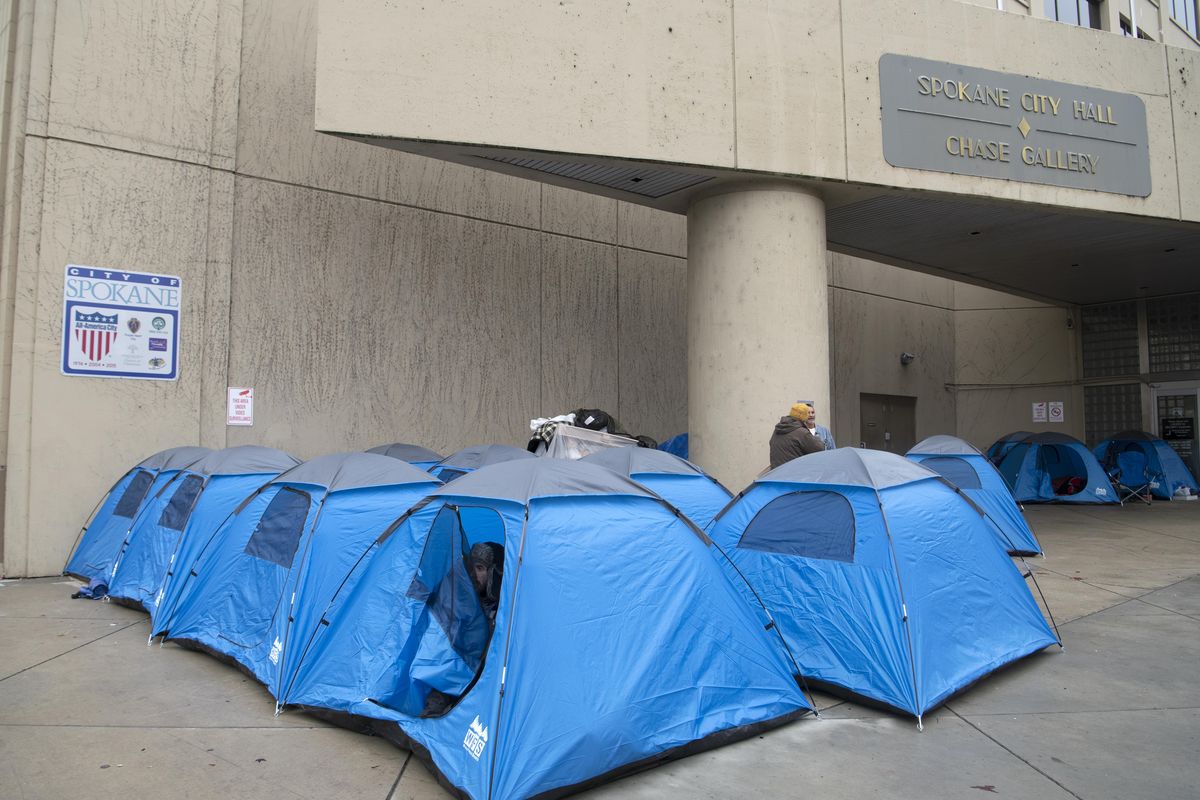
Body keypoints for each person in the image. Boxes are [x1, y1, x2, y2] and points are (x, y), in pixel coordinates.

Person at [769, 402, 825, 468]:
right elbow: (820, 448)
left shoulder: (777, 430)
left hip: (776, 473)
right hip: (793, 474)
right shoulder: (801, 432)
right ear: (804, 416)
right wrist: (816, 438)